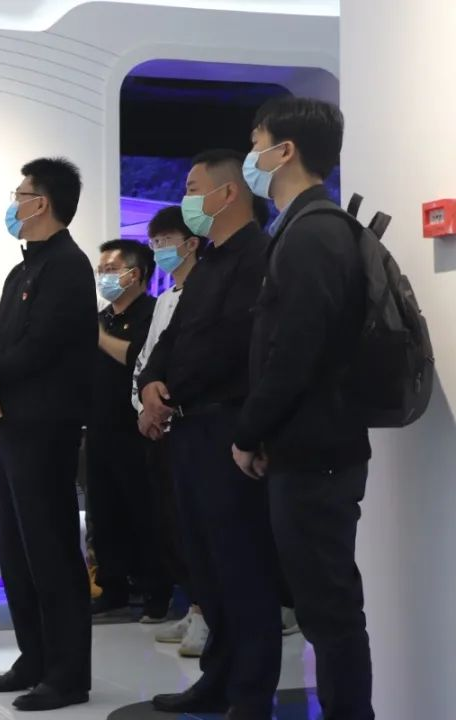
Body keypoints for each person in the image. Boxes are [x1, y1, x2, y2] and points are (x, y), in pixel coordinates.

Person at [233, 97, 373, 720]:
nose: (251, 156)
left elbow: (293, 353)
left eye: (256, 142)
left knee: (329, 609)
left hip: (317, 453)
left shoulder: (314, 232)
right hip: (307, 448)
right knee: (322, 605)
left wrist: (249, 431)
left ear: (284, 151)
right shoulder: (301, 227)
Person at [138, 150, 281, 719]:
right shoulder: (210, 261)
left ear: (228, 193)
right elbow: (173, 338)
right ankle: (216, 678)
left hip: (228, 425)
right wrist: (151, 383)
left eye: (195, 188)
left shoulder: (260, 256)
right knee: (205, 563)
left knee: (242, 564)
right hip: (189, 428)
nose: (187, 199)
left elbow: (234, 346)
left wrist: (171, 390)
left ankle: (251, 693)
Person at [0, 157, 96, 712]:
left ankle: (67, 675)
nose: (13, 204)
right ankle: (33, 659)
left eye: (19, 195)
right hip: (11, 427)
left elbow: (43, 345)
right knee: (17, 554)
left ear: (41, 203)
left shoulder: (68, 266)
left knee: (52, 551)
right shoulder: (23, 270)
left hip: (46, 429)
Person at [130, 207, 209, 654]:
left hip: (193, 422)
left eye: (166, 241)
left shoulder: (207, 290)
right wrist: (145, 406)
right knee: (173, 525)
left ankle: (208, 612)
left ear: (192, 243)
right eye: (154, 242)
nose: (159, 249)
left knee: (200, 525)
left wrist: (164, 406)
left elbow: (192, 362)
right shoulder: (165, 300)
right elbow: (148, 360)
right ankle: (195, 606)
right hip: (159, 425)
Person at [87, 240, 172, 623]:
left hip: (138, 430)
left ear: (135, 274)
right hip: (99, 428)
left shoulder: (153, 314)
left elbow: (139, 356)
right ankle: (112, 586)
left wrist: (97, 337)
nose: (103, 277)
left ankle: (156, 590)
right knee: (104, 513)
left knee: (145, 512)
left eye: (110, 269)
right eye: (101, 270)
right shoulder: (102, 318)